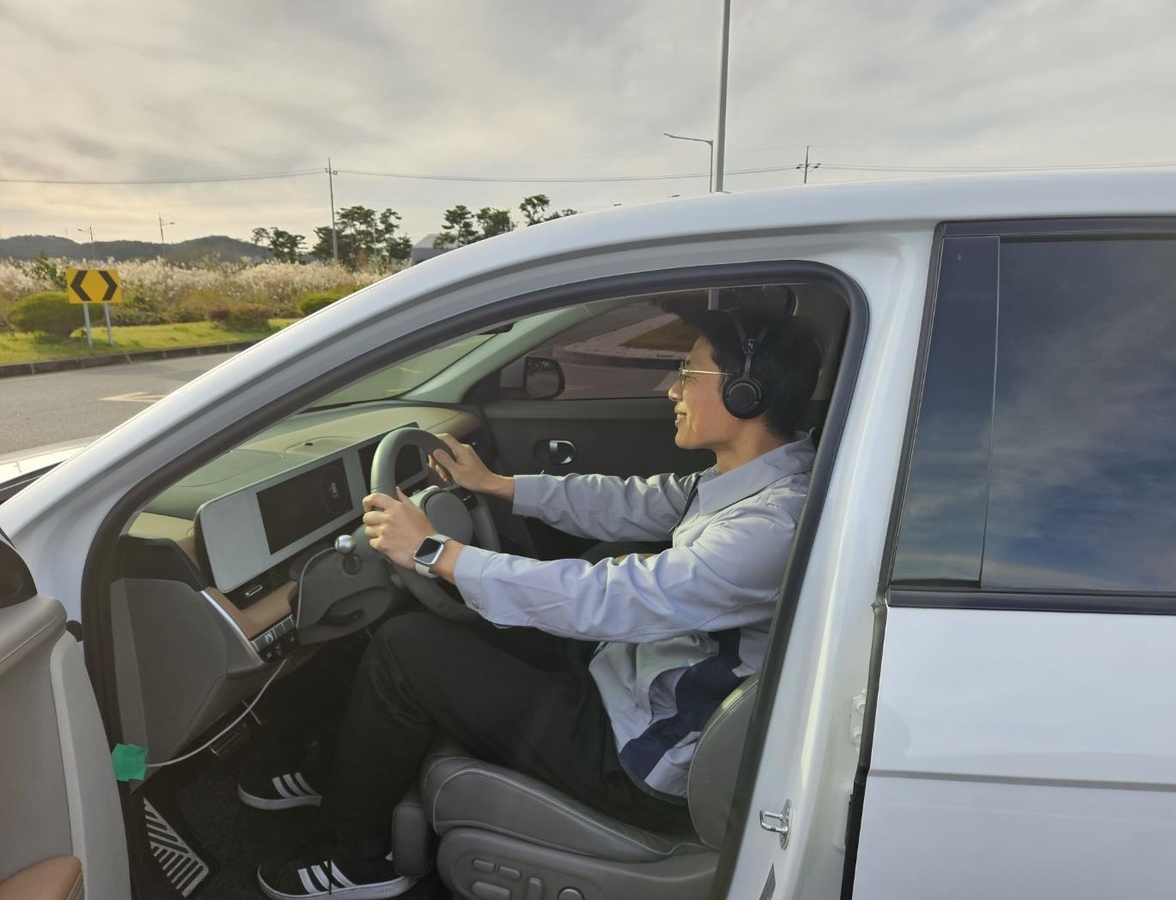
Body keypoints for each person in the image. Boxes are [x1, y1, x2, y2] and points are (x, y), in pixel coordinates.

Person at [251, 307, 821, 900]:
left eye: (687, 372)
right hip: (629, 678)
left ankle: (362, 860)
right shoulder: (757, 479)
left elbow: (618, 596)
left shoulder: (768, 526)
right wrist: (496, 485)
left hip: (641, 753)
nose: (671, 389)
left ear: (746, 390)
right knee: (453, 626)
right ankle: (343, 772)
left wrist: (433, 552)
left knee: (403, 648)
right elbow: (627, 501)